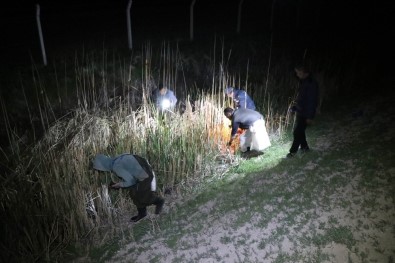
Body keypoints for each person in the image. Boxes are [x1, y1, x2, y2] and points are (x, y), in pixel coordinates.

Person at [92, 153, 165, 222]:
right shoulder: (117, 160)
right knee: (133, 193)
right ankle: (142, 213)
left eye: (100, 170)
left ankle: (158, 201)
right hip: (144, 171)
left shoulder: (116, 166)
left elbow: (131, 182)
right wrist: (120, 184)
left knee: (142, 196)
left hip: (146, 175)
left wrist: (119, 185)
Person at [287, 64, 319, 158]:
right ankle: (305, 148)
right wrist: (295, 108)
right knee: (300, 131)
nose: (297, 74)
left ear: (305, 73)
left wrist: (310, 116)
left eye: (299, 72)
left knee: (297, 132)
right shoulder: (304, 82)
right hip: (301, 112)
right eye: (296, 72)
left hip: (306, 113)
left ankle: (292, 152)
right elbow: (302, 99)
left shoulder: (311, 83)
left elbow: (311, 101)